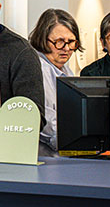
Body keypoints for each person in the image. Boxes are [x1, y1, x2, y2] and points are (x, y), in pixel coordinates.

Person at [28, 9, 83, 151]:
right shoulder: (39, 69)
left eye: (71, 42)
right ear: (43, 39)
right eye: (59, 42)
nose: (66, 48)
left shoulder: (64, 69)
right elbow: (47, 124)